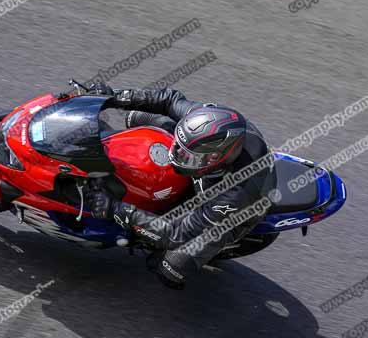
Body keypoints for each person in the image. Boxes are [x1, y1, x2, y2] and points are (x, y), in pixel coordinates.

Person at [84, 83, 278, 289]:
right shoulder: (206, 117)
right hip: (211, 175)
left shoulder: (236, 194)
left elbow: (177, 234)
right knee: (136, 116)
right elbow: (170, 99)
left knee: (170, 267)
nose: (175, 156)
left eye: (187, 156)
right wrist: (114, 97)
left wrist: (115, 209)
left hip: (231, 215)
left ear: (216, 157)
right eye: (178, 148)